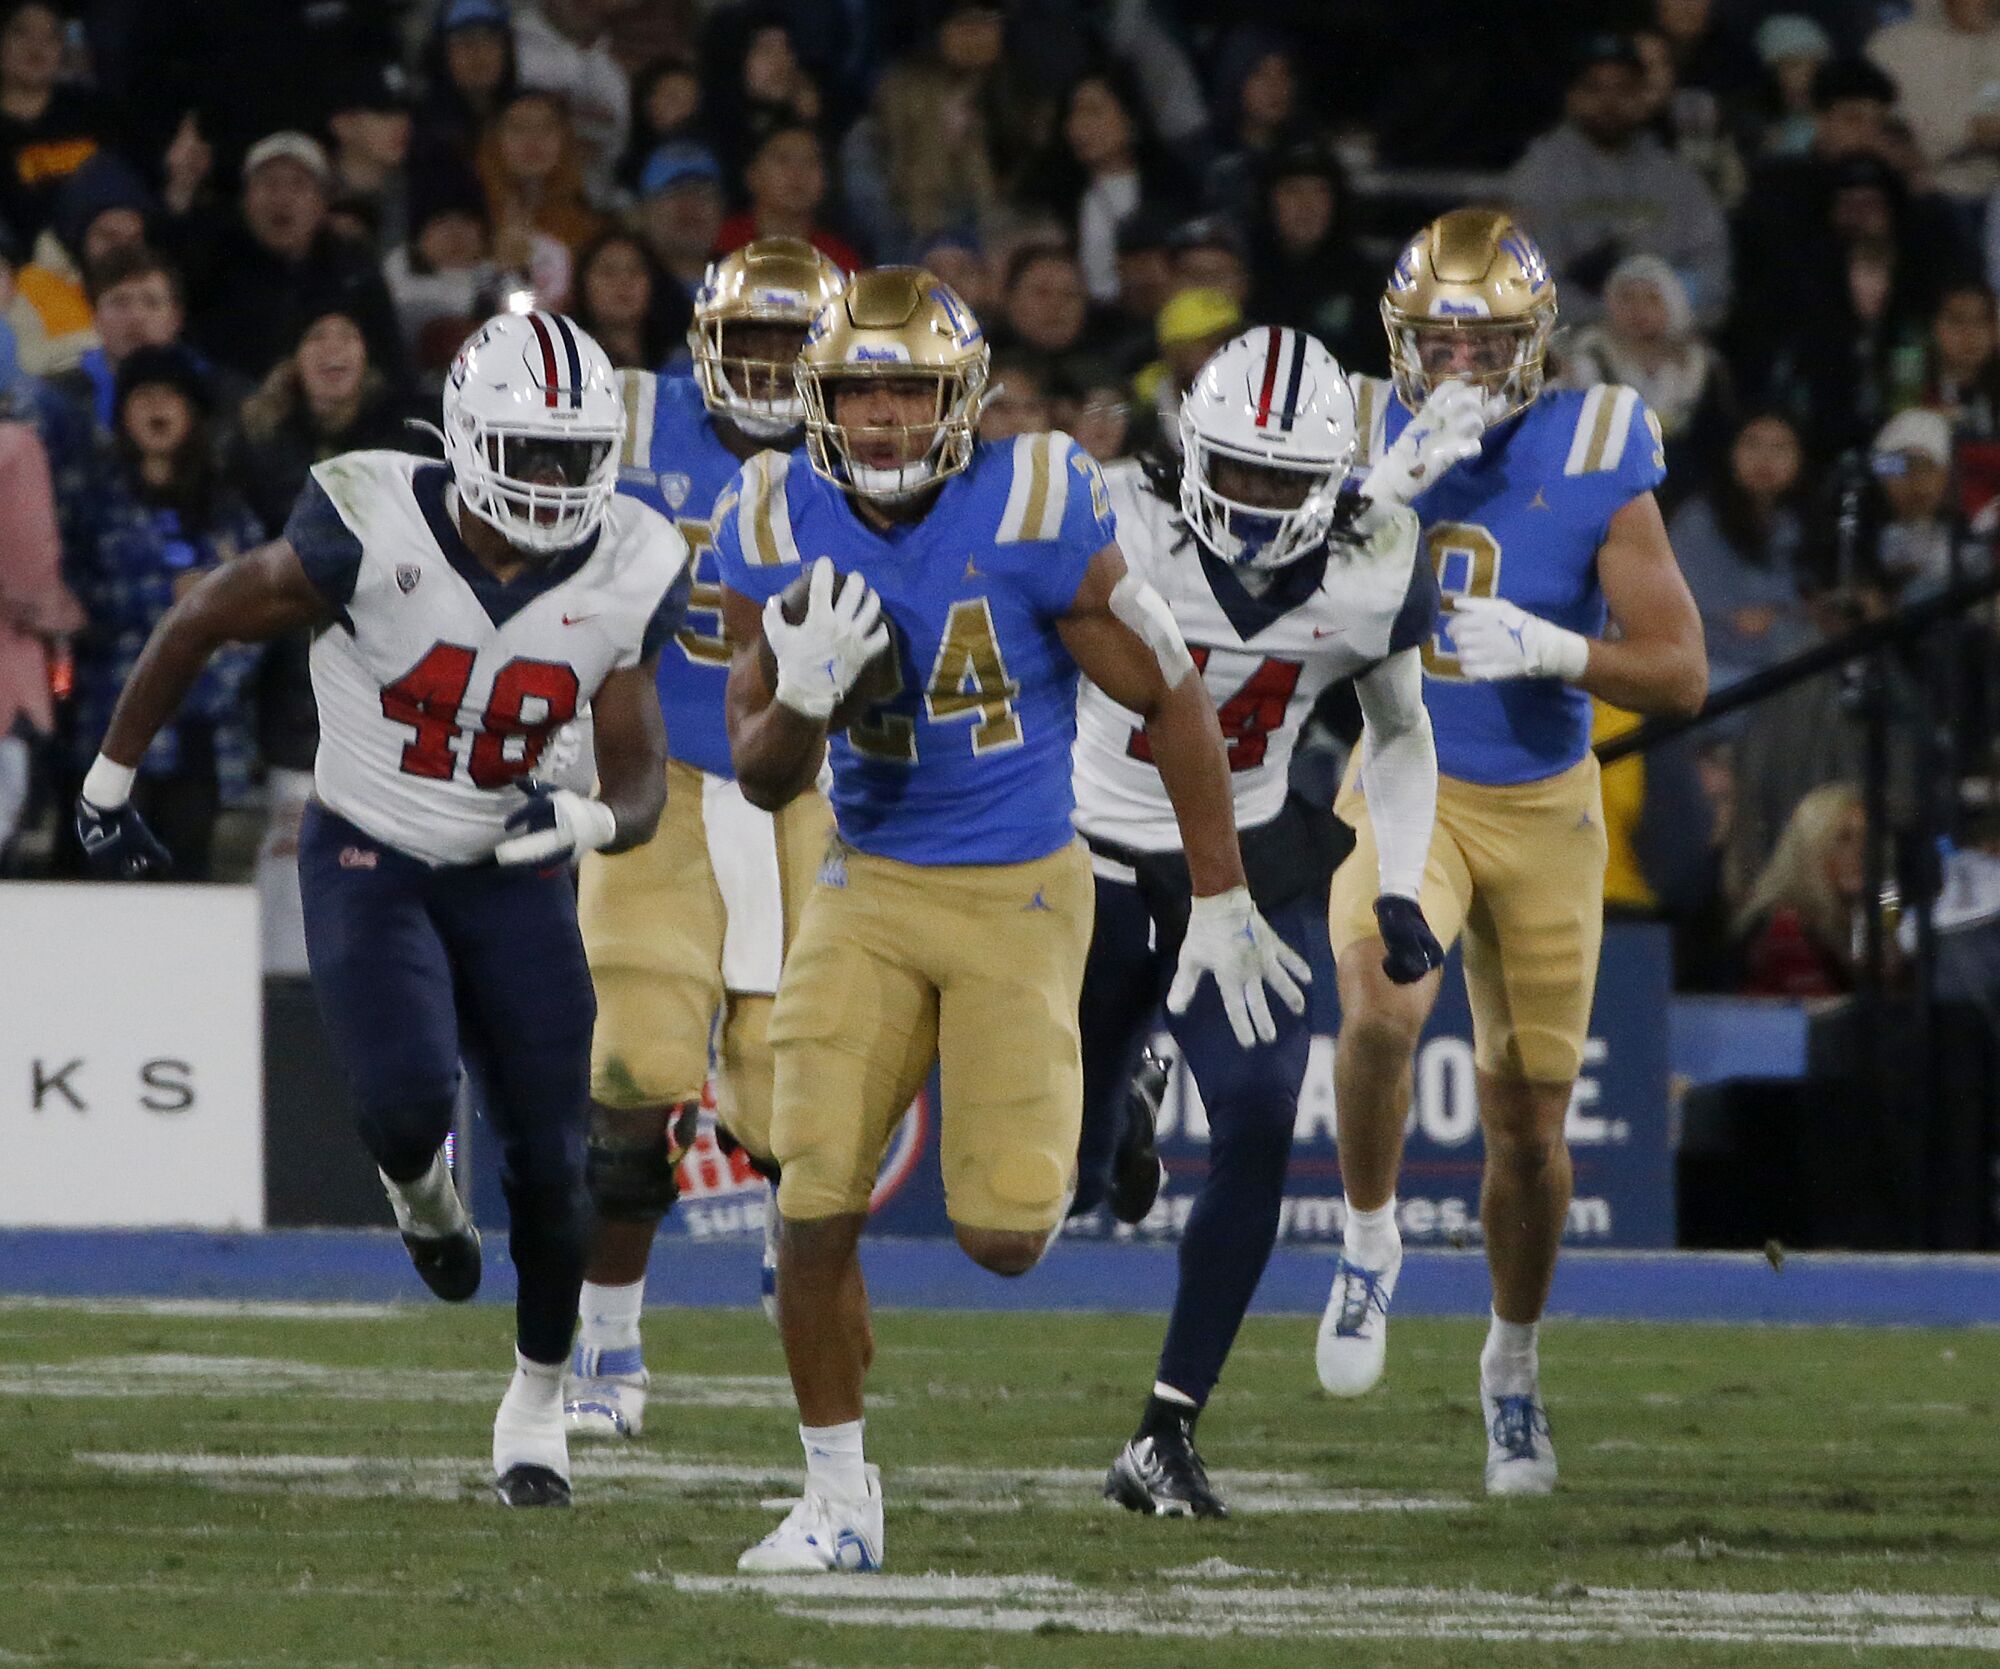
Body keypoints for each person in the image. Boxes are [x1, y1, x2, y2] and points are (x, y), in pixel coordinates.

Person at [715, 266, 1304, 1571]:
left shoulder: (1039, 503)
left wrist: (1219, 894)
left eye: (907, 390)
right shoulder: (766, 515)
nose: (877, 419)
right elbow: (759, 768)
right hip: (863, 885)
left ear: (961, 400)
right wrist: (804, 699)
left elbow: (1174, 695)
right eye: (857, 389)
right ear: (819, 398)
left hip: (1024, 892)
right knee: (810, 1196)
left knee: (1006, 1234)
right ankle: (835, 1497)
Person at [72, 310, 691, 1508]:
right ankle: (420, 1191)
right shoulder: (369, 515)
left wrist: (592, 825)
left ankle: (533, 1411)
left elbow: (638, 771)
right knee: (405, 1104)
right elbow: (204, 614)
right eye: (532, 453)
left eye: (575, 455)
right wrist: (108, 780)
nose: (558, 482)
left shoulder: (630, 563)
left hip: (514, 874)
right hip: (370, 850)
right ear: (464, 438)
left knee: (557, 1168)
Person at [1322, 210, 1706, 1494]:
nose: (1455, 365)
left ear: (1533, 346)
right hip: (1402, 773)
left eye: (1482, 341)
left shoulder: (1597, 442)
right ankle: (1368, 1242)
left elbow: (1681, 672)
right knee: (1381, 1000)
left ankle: (1510, 1367)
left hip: (1543, 805)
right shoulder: (1354, 431)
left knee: (1528, 1136)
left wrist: (1554, 650)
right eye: (1433, 340)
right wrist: (1364, 500)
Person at [1074, 330, 1480, 1516]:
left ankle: (1164, 1431)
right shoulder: (1116, 517)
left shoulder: (1370, 561)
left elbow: (1398, 733)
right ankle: (1121, 1106)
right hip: (1089, 846)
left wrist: (1398, 882)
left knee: (1256, 1115)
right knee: (1057, 1191)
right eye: (1236, 472)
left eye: (1283, 481)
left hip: (1240, 865)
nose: (1253, 503)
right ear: (1189, 454)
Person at [562, 238, 845, 1442]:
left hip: (807, 786)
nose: (775, 372)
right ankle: (607, 1331)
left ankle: (815, 1333)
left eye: (797, 347)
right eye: (755, 344)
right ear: (702, 348)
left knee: (806, 1088)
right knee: (633, 1072)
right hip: (658, 779)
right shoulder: (617, 419)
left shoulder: (873, 443)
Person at [69, 346, 264, 880]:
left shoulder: (229, 515)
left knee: (188, 883)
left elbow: (260, 620)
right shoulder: (93, 504)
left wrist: (207, 672)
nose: (157, 407)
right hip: (110, 727)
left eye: (170, 396)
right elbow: (75, 602)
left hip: (202, 738)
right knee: (109, 888)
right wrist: (179, 600)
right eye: (142, 396)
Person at [1505, 32, 1732, 326]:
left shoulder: (1676, 178)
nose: (1609, 102)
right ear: (1572, 97)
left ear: (1641, 96)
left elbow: (1712, 270)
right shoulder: (1537, 174)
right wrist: (1611, 319)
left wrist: (1665, 315)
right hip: (1570, 343)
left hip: (1668, 341)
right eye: (1595, 88)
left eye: (1624, 89)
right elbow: (1525, 283)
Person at [1559, 254, 1734, 502]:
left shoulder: (1702, 364)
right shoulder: (1586, 359)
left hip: (1685, 484)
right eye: (1627, 298)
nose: (1638, 311)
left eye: (1652, 299)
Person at [1668, 411, 1815, 690]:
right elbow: (1695, 619)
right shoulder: (1698, 521)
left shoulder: (1801, 524)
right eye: (1752, 445)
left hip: (1780, 659)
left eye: (1780, 448)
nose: (1765, 458)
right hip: (1714, 665)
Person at [1735, 781, 1865, 996]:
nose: (1861, 851)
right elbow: (1826, 1015)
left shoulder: (1856, 918)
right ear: (1812, 849)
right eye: (1844, 839)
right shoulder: (1787, 928)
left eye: (1866, 839)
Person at [714, 123, 861, 273]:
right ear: (752, 175)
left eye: (811, 161)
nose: (798, 173)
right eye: (783, 160)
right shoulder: (720, 244)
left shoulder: (837, 259)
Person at [568, 229, 688, 373]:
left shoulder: (682, 366)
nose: (624, 282)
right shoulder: (564, 364)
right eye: (608, 272)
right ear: (582, 284)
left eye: (635, 271)